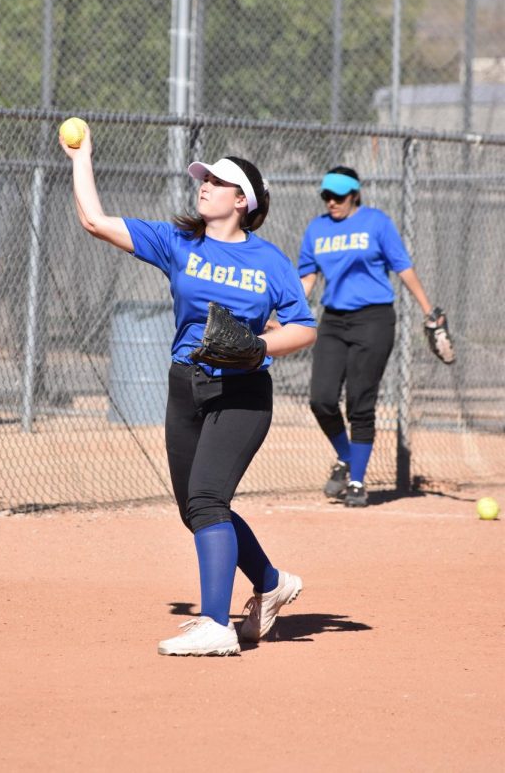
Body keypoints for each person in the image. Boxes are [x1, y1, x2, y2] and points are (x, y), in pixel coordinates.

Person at [60, 128, 317, 656]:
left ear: (241, 201)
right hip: (186, 385)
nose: (204, 185)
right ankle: (270, 584)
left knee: (206, 499)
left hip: (243, 391)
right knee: (198, 506)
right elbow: (94, 221)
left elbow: (304, 327)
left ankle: (217, 625)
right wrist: (80, 157)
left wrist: (260, 347)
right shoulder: (179, 241)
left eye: (218, 182)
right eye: (204, 178)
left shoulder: (269, 261)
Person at [298, 165, 442, 509]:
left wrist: (428, 311)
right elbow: (307, 278)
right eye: (326, 195)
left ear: (355, 194)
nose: (332, 201)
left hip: (374, 319)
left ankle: (358, 482)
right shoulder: (317, 228)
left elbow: (402, 267)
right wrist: (288, 314)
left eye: (339, 195)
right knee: (321, 398)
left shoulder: (376, 222)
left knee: (361, 402)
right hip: (333, 320)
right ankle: (347, 457)